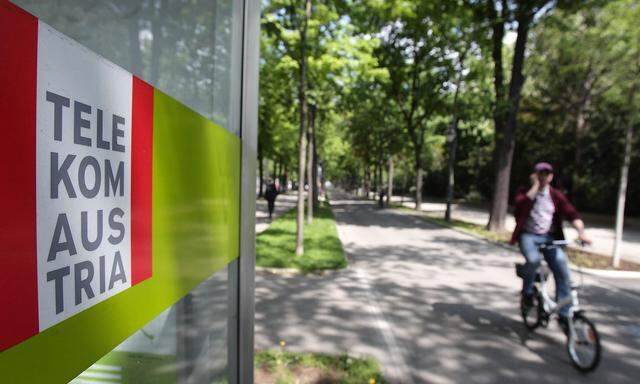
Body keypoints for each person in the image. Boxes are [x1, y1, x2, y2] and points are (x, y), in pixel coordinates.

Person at [510, 162, 591, 333]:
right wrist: (535, 187)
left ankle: (563, 314)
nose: (543, 177)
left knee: (562, 270)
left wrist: (581, 232)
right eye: (540, 173)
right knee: (533, 260)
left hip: (549, 238)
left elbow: (571, 213)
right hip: (528, 236)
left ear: (551, 176)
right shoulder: (526, 192)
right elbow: (519, 206)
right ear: (534, 175)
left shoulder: (556, 195)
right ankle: (527, 294)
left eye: (546, 174)